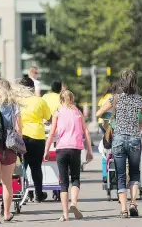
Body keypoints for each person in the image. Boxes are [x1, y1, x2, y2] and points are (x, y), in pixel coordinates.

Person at [96, 69, 142, 218]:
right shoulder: (140, 100)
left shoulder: (115, 99)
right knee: (134, 173)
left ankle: (124, 209)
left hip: (118, 139)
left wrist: (110, 117)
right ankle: (133, 204)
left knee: (120, 175)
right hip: (134, 139)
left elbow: (98, 114)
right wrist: (138, 127)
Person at [0, 77, 30, 224]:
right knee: (7, 182)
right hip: (8, 148)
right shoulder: (14, 106)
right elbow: (19, 130)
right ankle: (7, 213)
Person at [44, 90, 94, 222]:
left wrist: (47, 150)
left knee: (63, 182)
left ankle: (65, 215)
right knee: (76, 178)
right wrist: (89, 150)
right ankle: (74, 204)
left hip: (61, 149)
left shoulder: (57, 113)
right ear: (72, 99)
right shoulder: (78, 113)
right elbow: (86, 132)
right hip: (75, 149)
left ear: (61, 100)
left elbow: (51, 133)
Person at [19, 77, 51, 202]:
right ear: (32, 88)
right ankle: (38, 194)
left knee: (22, 166)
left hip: (21, 136)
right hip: (37, 136)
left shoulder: (17, 101)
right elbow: (48, 117)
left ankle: (25, 192)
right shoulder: (39, 101)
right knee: (36, 166)